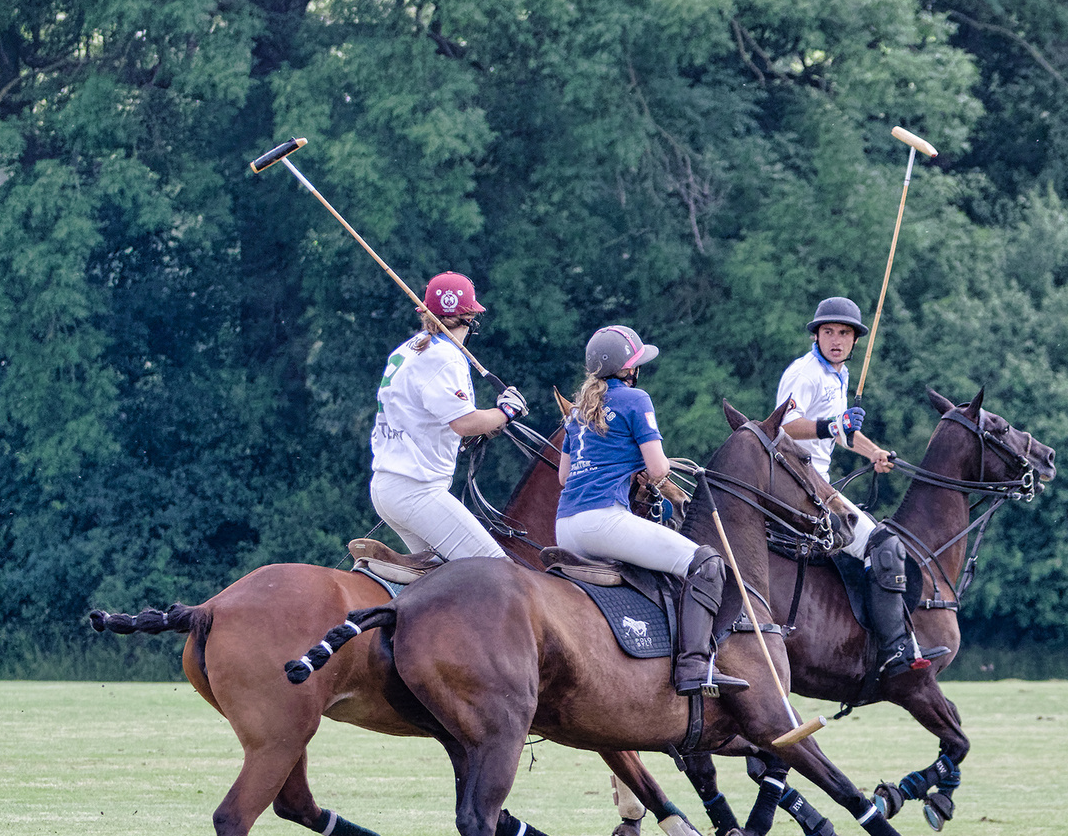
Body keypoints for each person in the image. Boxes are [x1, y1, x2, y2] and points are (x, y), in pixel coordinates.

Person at [555, 325, 749, 698]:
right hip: (604, 521)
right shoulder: (635, 399)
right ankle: (693, 663)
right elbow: (659, 470)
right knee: (706, 563)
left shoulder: (578, 412)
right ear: (628, 370)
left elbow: (565, 477)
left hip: (566, 526)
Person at [776, 296, 948, 674]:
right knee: (883, 545)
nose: (835, 339)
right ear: (816, 336)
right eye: (828, 332)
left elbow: (842, 430)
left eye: (844, 333)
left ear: (855, 341)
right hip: (797, 479)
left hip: (815, 480)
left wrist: (873, 451)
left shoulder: (839, 374)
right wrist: (833, 426)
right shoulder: (805, 373)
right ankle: (893, 651)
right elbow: (785, 426)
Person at [369, 271, 529, 561]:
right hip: (416, 491)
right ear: (469, 317)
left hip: (386, 486)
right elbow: (464, 422)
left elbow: (434, 420)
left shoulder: (409, 349)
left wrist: (488, 423)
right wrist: (505, 412)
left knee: (445, 582)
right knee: (496, 570)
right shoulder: (446, 355)